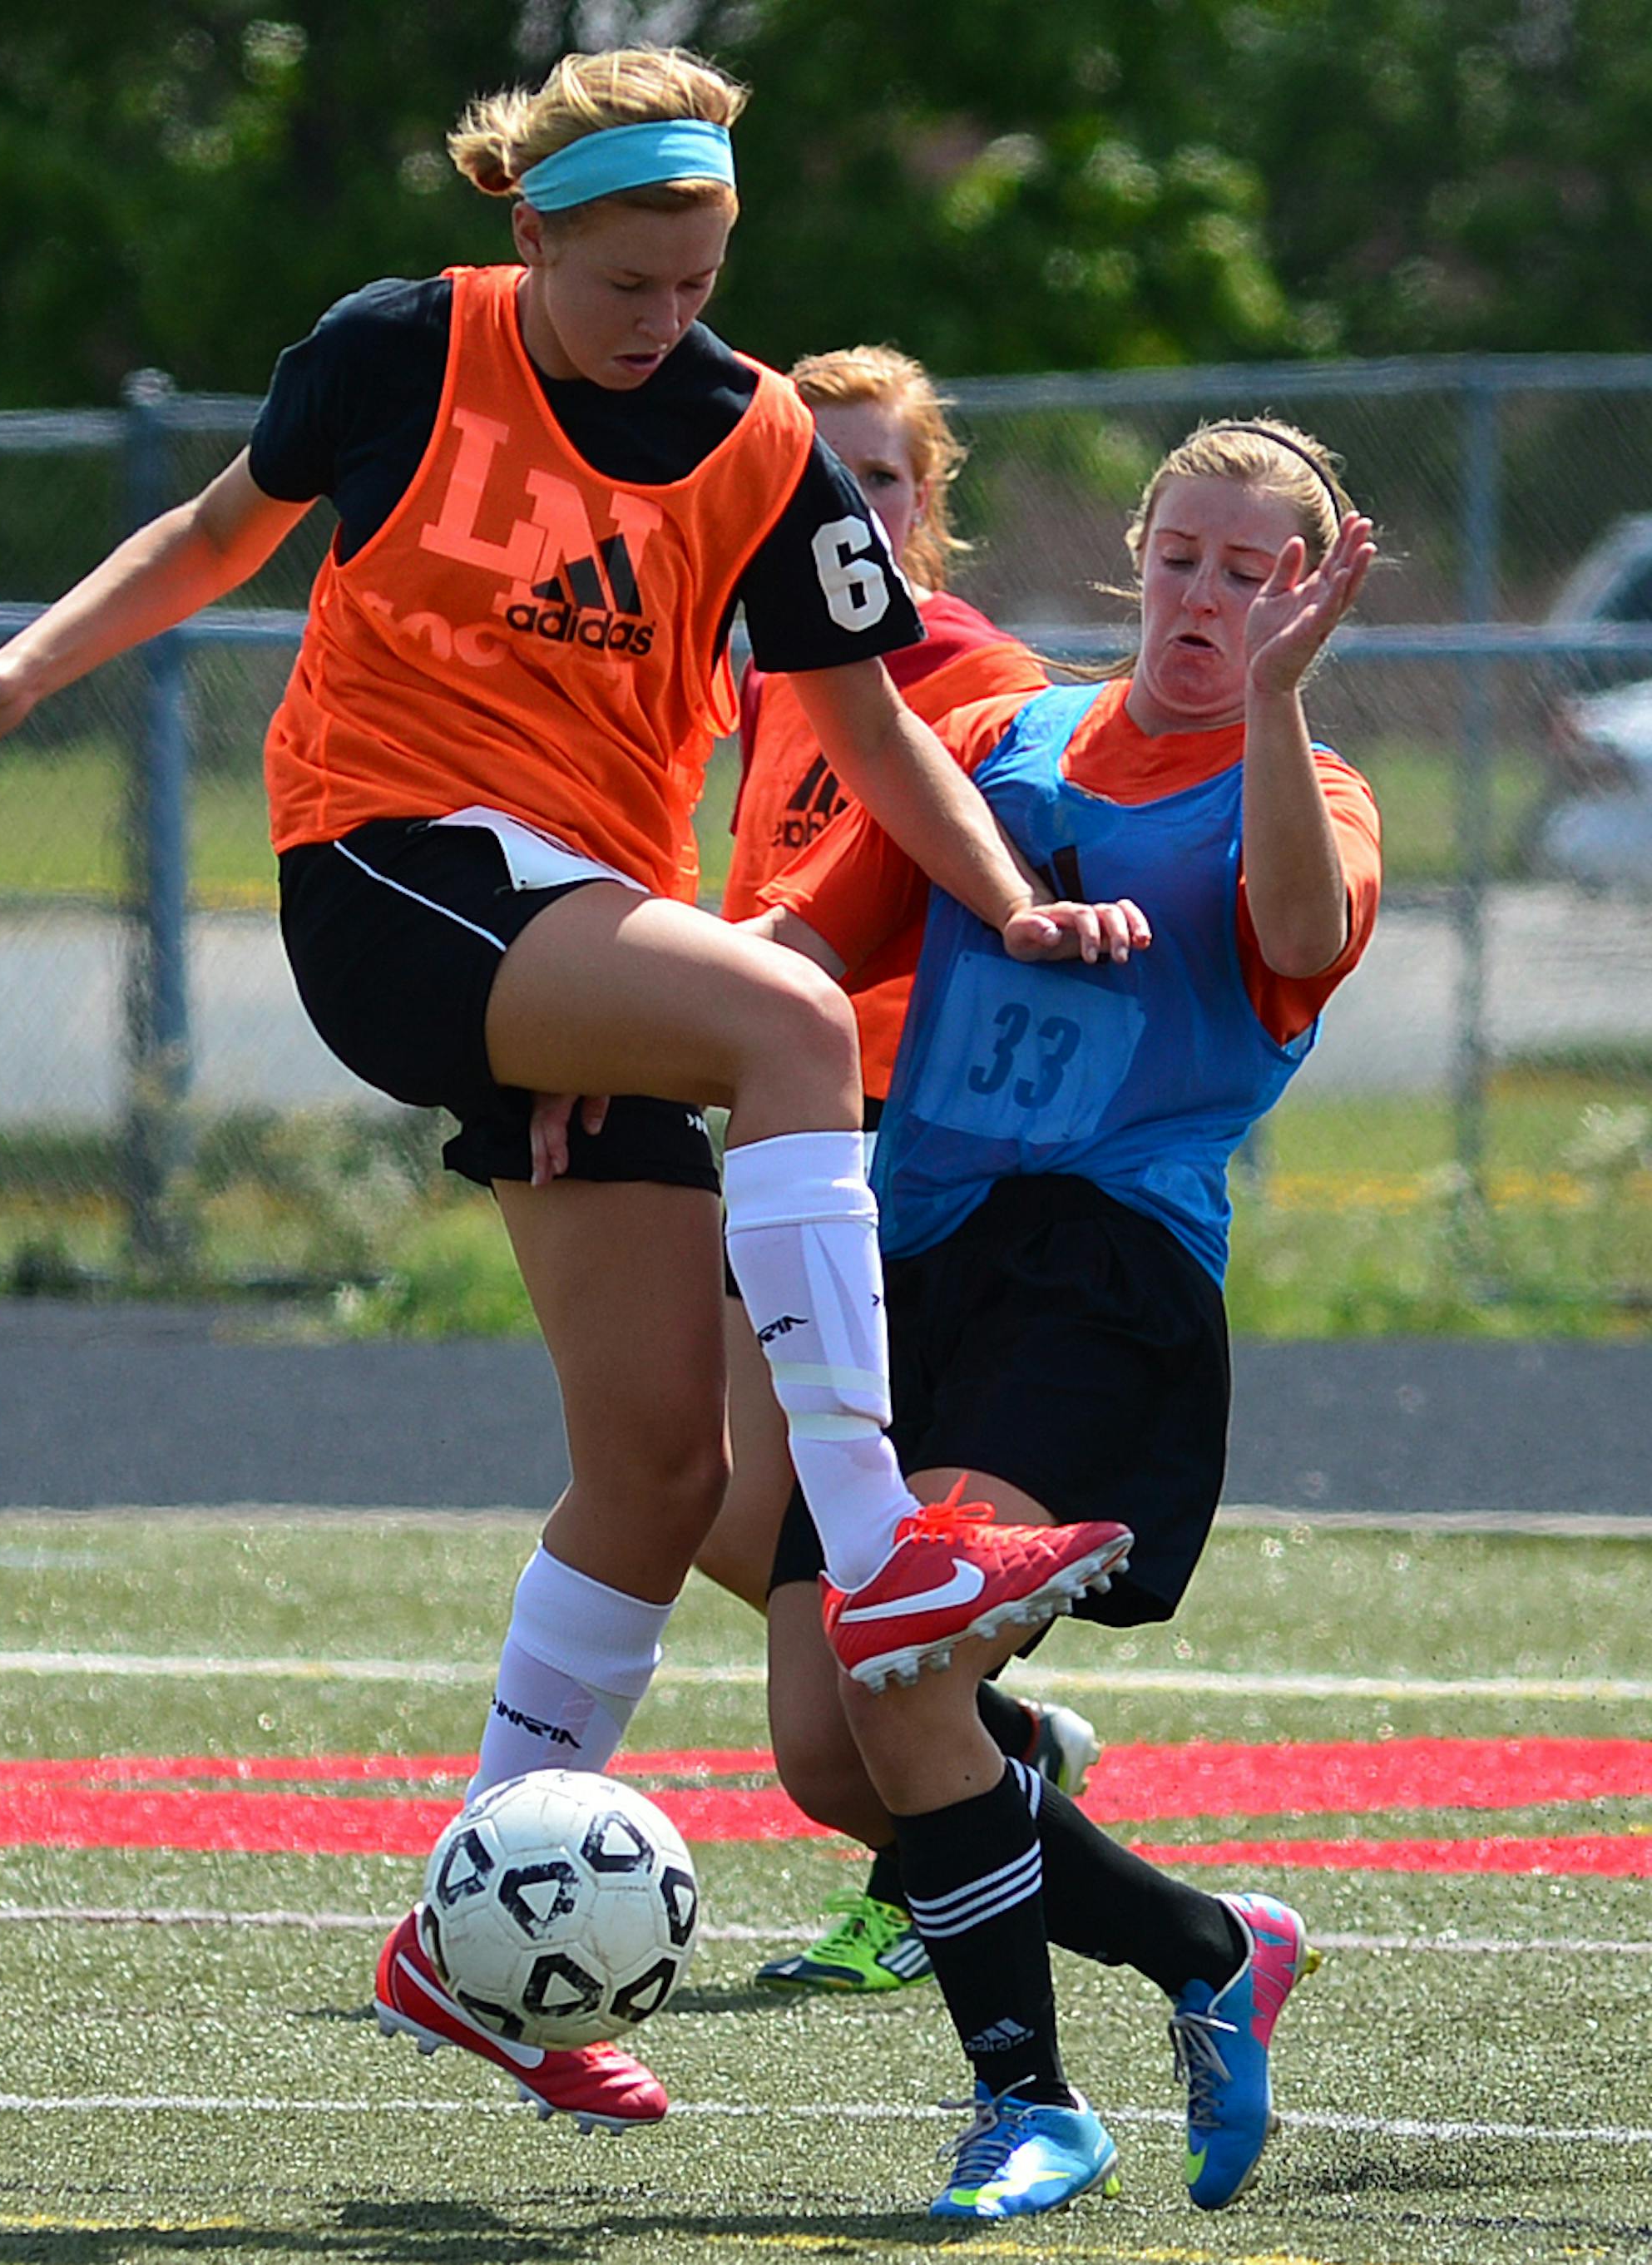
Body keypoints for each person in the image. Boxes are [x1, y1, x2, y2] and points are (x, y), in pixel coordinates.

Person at [0, 47, 1133, 2135]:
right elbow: (214, 536)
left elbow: (879, 721)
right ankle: (888, 1540)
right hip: (394, 874)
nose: (671, 318)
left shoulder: (754, 440)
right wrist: (19, 672)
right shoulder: (403, 348)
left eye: (701, 275)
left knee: (649, 1471)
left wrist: (1007, 894)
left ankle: (468, 1958)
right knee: (793, 1030)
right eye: (631, 277)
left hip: (577, 934)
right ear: (531, 233)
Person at [746, 418, 1381, 2215]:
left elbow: (1291, 922)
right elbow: (809, 945)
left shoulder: (1317, 786)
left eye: (1257, 574)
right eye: (1186, 556)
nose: (1211, 596)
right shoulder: (993, 742)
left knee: (908, 1660)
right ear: (1137, 555)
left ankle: (1031, 2105)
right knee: (831, 1745)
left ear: (1307, 598)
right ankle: (1200, 1945)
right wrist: (612, 1033)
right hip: (911, 1254)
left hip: (1102, 1267)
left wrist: (1269, 703)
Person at [707, 344, 1105, 1993]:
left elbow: (979, 879)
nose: (848, 505)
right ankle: (1001, 1748)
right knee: (714, 1505)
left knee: (801, 1535)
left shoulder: (969, 668)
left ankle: (925, 1844)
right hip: (772, 1106)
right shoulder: (768, 664)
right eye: (821, 474)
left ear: (929, 504)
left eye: (881, 477)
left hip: (891, 1136)